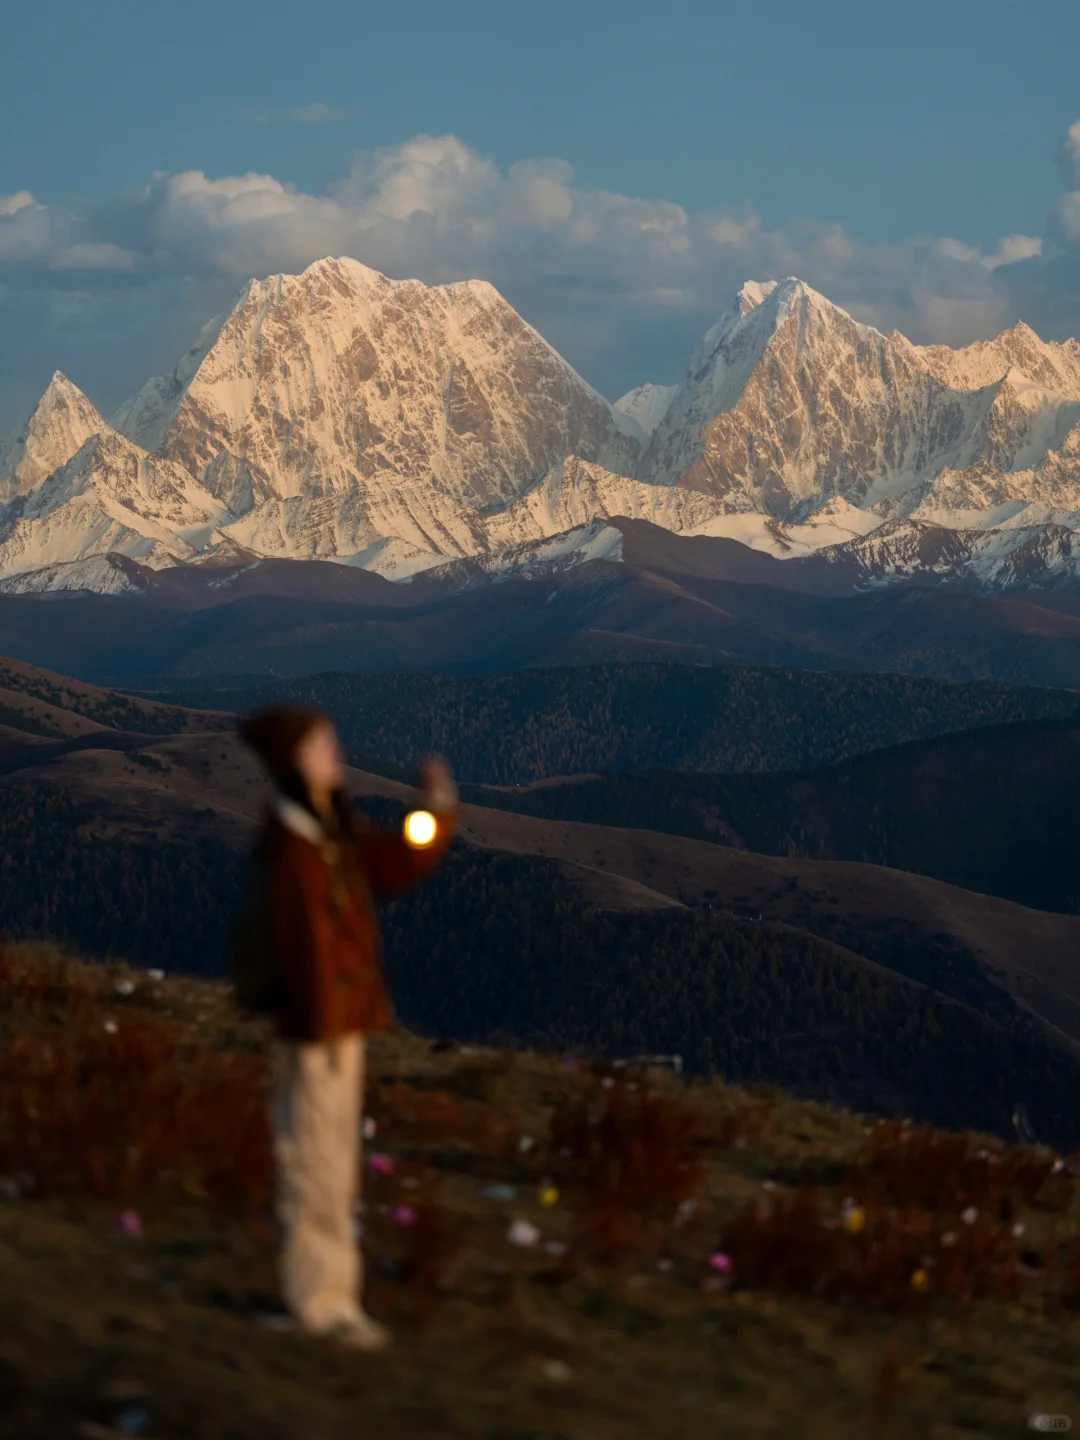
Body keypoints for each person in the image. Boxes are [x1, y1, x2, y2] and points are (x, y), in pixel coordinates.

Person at [237, 705, 458, 1350]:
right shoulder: (298, 851)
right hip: (316, 1034)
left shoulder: (326, 834)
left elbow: (392, 865)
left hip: (338, 1029)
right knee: (311, 1164)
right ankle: (316, 1305)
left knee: (333, 1165)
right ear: (294, 760)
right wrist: (321, 1029)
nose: (336, 752)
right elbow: (297, 952)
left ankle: (333, 1299)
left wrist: (436, 813)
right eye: (322, 744)